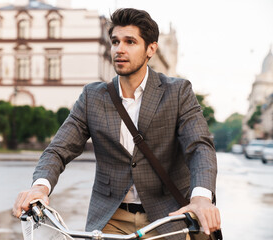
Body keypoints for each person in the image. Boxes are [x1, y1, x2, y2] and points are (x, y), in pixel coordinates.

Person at [13, 8, 220, 239]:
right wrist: (39, 187)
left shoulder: (177, 92)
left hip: (167, 215)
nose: (119, 49)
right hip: (111, 217)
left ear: (151, 48)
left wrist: (201, 198)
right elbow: (59, 149)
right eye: (115, 41)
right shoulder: (93, 96)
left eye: (130, 42)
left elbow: (199, 146)